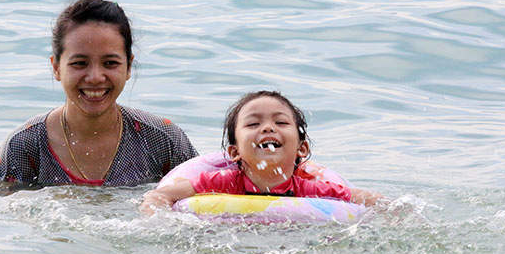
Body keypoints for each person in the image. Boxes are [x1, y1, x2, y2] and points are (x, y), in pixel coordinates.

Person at [0, 0, 198, 193]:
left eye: (110, 63)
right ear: (56, 68)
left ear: (128, 67)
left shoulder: (162, 140)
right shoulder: (25, 146)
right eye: (79, 63)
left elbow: (205, 203)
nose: (95, 77)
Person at [141, 90, 383, 214]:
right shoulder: (220, 183)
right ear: (234, 152)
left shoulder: (307, 190)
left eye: (281, 123)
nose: (268, 127)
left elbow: (365, 198)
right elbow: (160, 196)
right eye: (253, 124)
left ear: (302, 148)